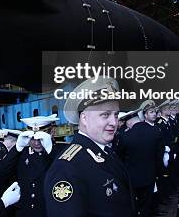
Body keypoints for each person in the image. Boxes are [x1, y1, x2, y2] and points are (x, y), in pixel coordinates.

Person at [44, 77, 134, 216]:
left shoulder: (104, 150)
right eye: (105, 115)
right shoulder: (66, 168)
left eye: (116, 115)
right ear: (84, 118)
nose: (114, 122)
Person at [116, 100, 164, 217]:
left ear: (128, 122)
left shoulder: (125, 137)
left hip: (132, 178)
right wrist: (159, 172)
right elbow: (159, 154)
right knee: (148, 204)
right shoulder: (155, 131)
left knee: (136, 205)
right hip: (150, 175)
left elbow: (119, 157)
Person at [9, 114, 59, 217]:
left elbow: (68, 171)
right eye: (31, 138)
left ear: (52, 132)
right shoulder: (21, 153)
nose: (36, 143)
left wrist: (51, 151)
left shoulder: (60, 152)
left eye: (41, 138)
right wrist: (17, 147)